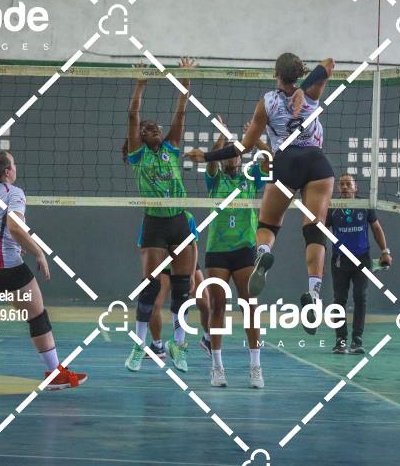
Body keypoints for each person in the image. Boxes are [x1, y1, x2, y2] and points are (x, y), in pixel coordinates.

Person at [188, 53, 334, 335]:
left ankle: (263, 253)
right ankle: (314, 291)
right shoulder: (312, 92)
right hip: (316, 161)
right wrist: (304, 89)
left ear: (276, 74)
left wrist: (206, 157)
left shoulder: (267, 102)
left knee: (268, 225)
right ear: (300, 73)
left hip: (285, 161)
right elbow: (328, 63)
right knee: (315, 230)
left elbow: (242, 148)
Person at [0, 150, 86, 397]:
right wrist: (38, 253)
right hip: (6, 267)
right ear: (7, 172)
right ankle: (54, 375)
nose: (16, 167)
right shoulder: (14, 193)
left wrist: (6, 243)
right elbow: (14, 227)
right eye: (13, 164)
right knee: (37, 316)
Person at [124, 58, 197, 372]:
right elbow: (133, 116)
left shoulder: (171, 147)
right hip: (154, 221)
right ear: (139, 137)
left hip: (179, 220)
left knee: (182, 288)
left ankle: (178, 345)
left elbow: (180, 114)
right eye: (145, 128)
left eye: (154, 127)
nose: (150, 128)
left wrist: (184, 83)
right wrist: (140, 85)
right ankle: (140, 346)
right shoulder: (138, 155)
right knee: (150, 286)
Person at [202, 119, 270, 388]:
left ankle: (256, 366)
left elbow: (270, 160)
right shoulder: (214, 179)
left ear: (242, 157)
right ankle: (217, 367)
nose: (232, 156)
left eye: (237, 152)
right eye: (228, 153)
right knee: (218, 305)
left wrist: (255, 137)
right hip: (217, 250)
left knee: (250, 306)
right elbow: (210, 161)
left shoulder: (251, 177)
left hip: (244, 249)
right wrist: (221, 139)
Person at [326, 173, 392, 355]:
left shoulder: (364, 205)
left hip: (362, 258)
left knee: (360, 297)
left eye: (349, 184)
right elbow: (322, 230)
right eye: (342, 184)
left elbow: (376, 228)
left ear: (356, 187)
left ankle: (357, 340)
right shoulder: (333, 207)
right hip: (340, 259)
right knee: (339, 299)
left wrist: (385, 251)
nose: (345, 187)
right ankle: (340, 340)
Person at [146, 212, 212, 362]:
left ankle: (207, 339)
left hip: (186, 264)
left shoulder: (187, 217)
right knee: (154, 305)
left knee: (205, 304)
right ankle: (157, 345)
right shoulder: (153, 216)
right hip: (164, 266)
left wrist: (191, 274)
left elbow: (193, 247)